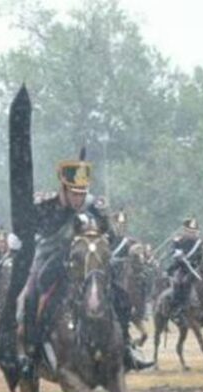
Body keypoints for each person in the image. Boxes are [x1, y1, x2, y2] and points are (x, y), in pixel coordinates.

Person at [16, 150, 151, 372]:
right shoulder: (45, 205)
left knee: (121, 296)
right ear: (64, 189)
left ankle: (126, 348)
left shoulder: (94, 207)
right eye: (74, 193)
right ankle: (31, 353)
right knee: (32, 297)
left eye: (82, 193)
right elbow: (28, 227)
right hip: (50, 258)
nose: (79, 198)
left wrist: (124, 246)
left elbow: (111, 236)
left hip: (85, 262)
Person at [166, 217, 203, 320]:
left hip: (195, 267)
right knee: (180, 281)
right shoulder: (177, 240)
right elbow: (172, 251)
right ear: (185, 230)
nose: (192, 234)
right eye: (190, 231)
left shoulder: (199, 243)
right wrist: (177, 254)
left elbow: (201, 255)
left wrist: (195, 261)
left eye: (194, 232)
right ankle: (178, 307)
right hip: (181, 267)